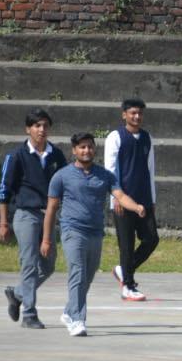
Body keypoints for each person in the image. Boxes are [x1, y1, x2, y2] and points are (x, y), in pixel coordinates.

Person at [40, 133, 145, 337]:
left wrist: (136, 207)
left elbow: (120, 195)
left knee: (88, 275)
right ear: (74, 150)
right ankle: (78, 320)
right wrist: (46, 239)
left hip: (95, 233)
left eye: (89, 147)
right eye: (82, 147)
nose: (86, 151)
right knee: (77, 274)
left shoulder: (105, 175)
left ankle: (69, 312)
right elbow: (51, 209)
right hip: (72, 231)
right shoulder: (61, 176)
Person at [0, 108, 67, 329]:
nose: (41, 129)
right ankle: (29, 313)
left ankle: (17, 294)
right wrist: (4, 222)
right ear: (28, 129)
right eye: (37, 125)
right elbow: (4, 190)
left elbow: (66, 182)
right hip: (26, 215)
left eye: (45, 125)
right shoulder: (16, 156)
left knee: (48, 266)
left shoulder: (56, 155)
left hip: (49, 216)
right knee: (29, 263)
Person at [106, 98, 158, 301]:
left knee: (152, 239)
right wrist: (115, 197)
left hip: (144, 198)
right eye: (133, 113)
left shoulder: (147, 138)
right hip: (123, 199)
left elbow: (150, 169)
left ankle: (123, 270)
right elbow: (110, 169)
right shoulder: (115, 137)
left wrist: (152, 199)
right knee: (126, 245)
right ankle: (128, 285)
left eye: (140, 113)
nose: (137, 117)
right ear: (124, 114)